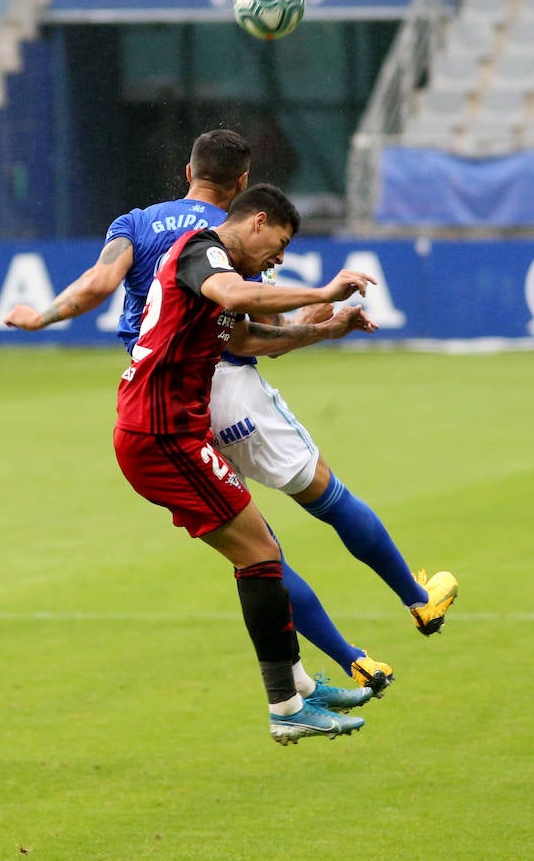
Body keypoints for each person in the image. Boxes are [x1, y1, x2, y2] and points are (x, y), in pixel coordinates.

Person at [4, 130, 457, 693]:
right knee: (326, 496)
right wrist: (322, 305)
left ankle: (345, 662)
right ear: (245, 189)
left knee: (257, 551)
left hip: (167, 393)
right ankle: (418, 600)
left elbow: (100, 283)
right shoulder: (229, 244)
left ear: (185, 170)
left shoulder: (137, 223)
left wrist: (40, 317)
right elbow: (248, 331)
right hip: (221, 385)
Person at [113, 182, 382, 743]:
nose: (278, 260)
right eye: (278, 244)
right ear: (256, 222)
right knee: (261, 555)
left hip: (173, 434)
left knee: (264, 551)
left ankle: (302, 687)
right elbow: (237, 298)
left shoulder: (214, 270)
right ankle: (286, 704)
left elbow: (250, 337)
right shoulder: (200, 250)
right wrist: (324, 288)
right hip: (162, 436)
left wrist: (328, 327)